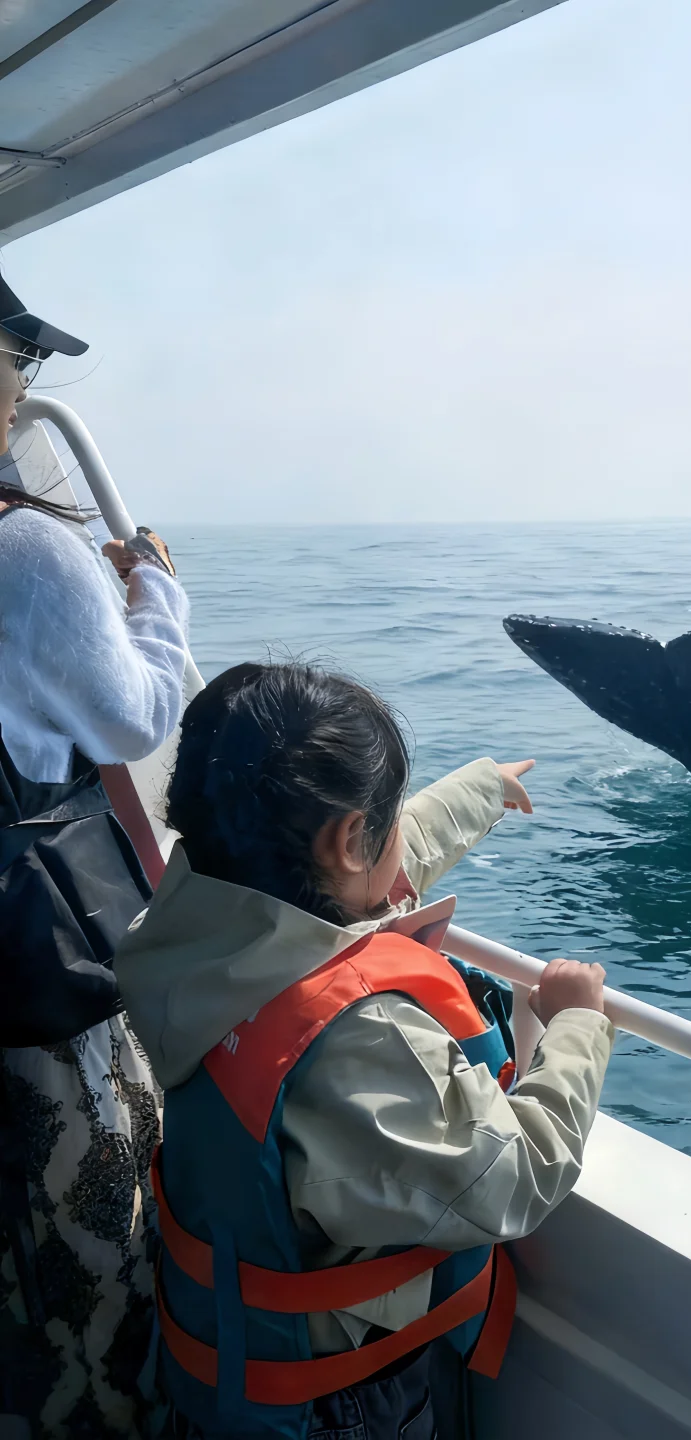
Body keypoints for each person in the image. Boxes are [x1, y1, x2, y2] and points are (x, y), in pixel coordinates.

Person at [115, 661, 614, 1440]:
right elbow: (515, 1176)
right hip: (341, 1405)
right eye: (380, 826)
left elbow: (350, 870)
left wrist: (477, 793)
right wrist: (577, 1025)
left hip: (224, 1362)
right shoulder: (359, 1039)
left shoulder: (183, 934)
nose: (397, 857)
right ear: (350, 837)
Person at [0, 275, 190, 1437]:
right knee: (91, 1289)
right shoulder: (26, 548)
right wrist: (157, 589)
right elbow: (133, 722)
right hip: (32, 999)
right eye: (18, 361)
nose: (25, 390)